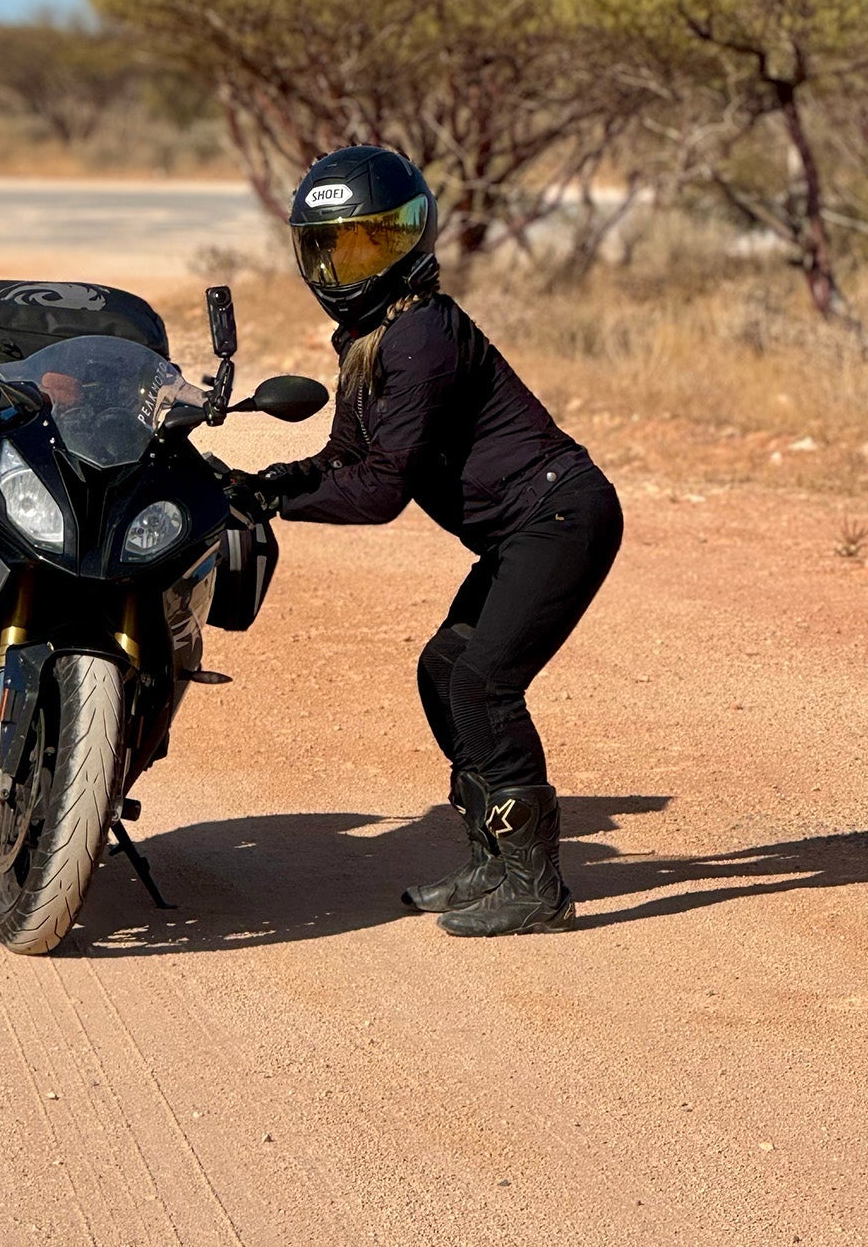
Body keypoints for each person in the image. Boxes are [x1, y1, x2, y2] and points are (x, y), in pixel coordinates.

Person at [228, 145, 623, 936]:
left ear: (409, 237)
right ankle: (492, 860)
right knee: (444, 669)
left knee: (483, 681)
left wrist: (275, 500)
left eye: (365, 244)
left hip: (559, 518)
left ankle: (538, 886)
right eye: (330, 248)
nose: (343, 267)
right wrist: (263, 479)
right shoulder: (371, 336)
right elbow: (347, 454)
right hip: (527, 528)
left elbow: (379, 491)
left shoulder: (421, 336)